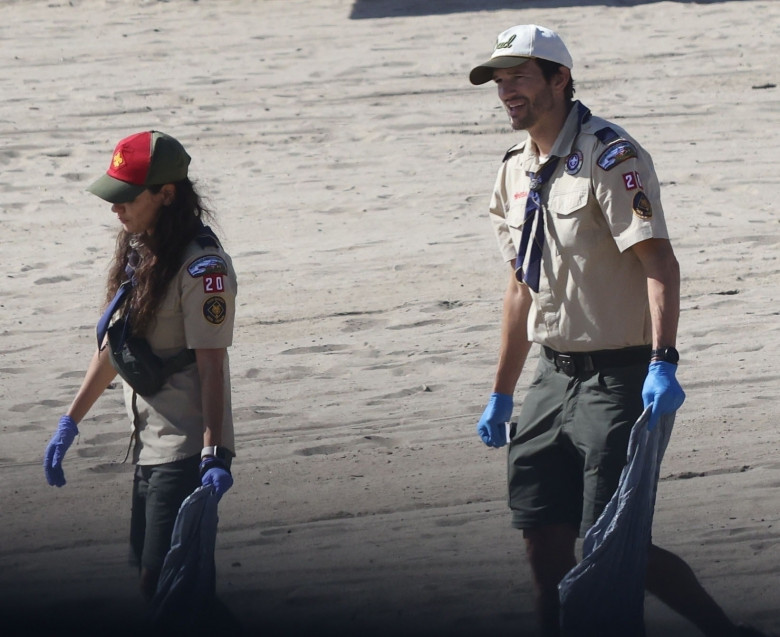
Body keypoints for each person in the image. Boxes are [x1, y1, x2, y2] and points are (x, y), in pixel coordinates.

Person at [470, 24, 766, 637]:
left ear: (560, 77)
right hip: (551, 378)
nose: (507, 93)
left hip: (620, 377)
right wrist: (502, 391)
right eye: (500, 82)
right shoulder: (513, 172)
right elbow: (520, 287)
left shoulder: (611, 156)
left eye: (520, 77)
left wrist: (664, 362)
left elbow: (659, 262)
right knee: (542, 538)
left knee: (612, 542)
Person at [43, 130, 238, 603]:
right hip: (149, 444)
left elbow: (212, 367)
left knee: (168, 588)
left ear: (166, 194)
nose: (116, 208)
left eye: (127, 197)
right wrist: (69, 421)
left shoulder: (202, 269)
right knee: (172, 587)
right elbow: (117, 347)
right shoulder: (141, 252)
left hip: (186, 448)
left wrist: (214, 456)